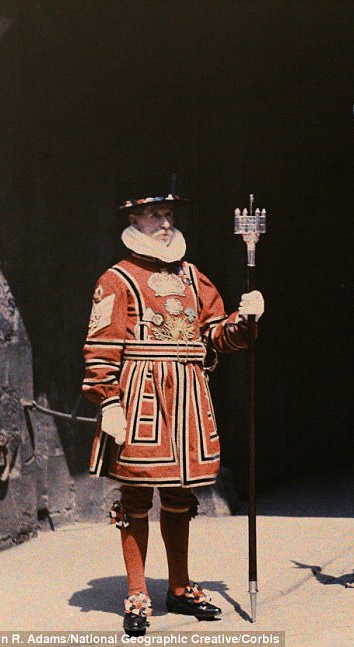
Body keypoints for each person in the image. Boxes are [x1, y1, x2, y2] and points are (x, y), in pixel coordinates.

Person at [81, 173, 264, 635]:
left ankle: (179, 587)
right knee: (138, 494)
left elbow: (216, 334)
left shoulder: (192, 276)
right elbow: (101, 345)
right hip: (141, 396)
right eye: (155, 215)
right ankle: (138, 592)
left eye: (169, 216)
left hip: (187, 395)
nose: (165, 223)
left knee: (180, 494)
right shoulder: (117, 279)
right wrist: (108, 401)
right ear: (135, 220)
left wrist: (245, 320)